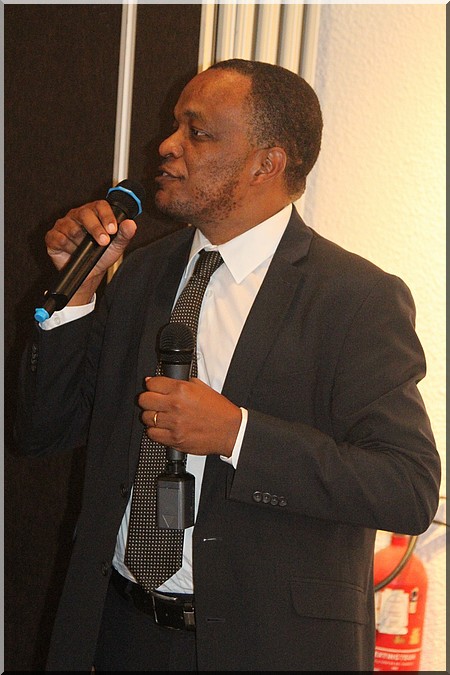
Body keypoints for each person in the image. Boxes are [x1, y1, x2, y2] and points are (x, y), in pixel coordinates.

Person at [15, 59, 440, 672]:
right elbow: (43, 432)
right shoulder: (140, 274)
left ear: (267, 163)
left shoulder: (354, 299)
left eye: (198, 132)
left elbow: (407, 488)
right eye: (175, 126)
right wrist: (77, 294)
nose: (167, 145)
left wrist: (238, 434)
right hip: (116, 631)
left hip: (266, 647)